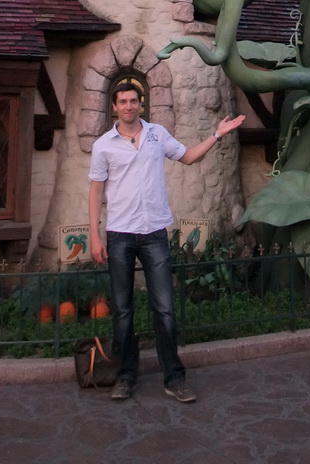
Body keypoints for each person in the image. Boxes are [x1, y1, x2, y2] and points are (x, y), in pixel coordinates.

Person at [88, 79, 244, 403]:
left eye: (134, 101)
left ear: (140, 104)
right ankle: (126, 375)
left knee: (165, 309)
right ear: (114, 106)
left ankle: (174, 377)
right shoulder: (103, 145)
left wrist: (217, 134)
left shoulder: (157, 135)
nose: (129, 106)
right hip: (119, 234)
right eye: (123, 102)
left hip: (154, 234)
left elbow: (187, 157)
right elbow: (95, 191)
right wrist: (93, 233)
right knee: (122, 310)